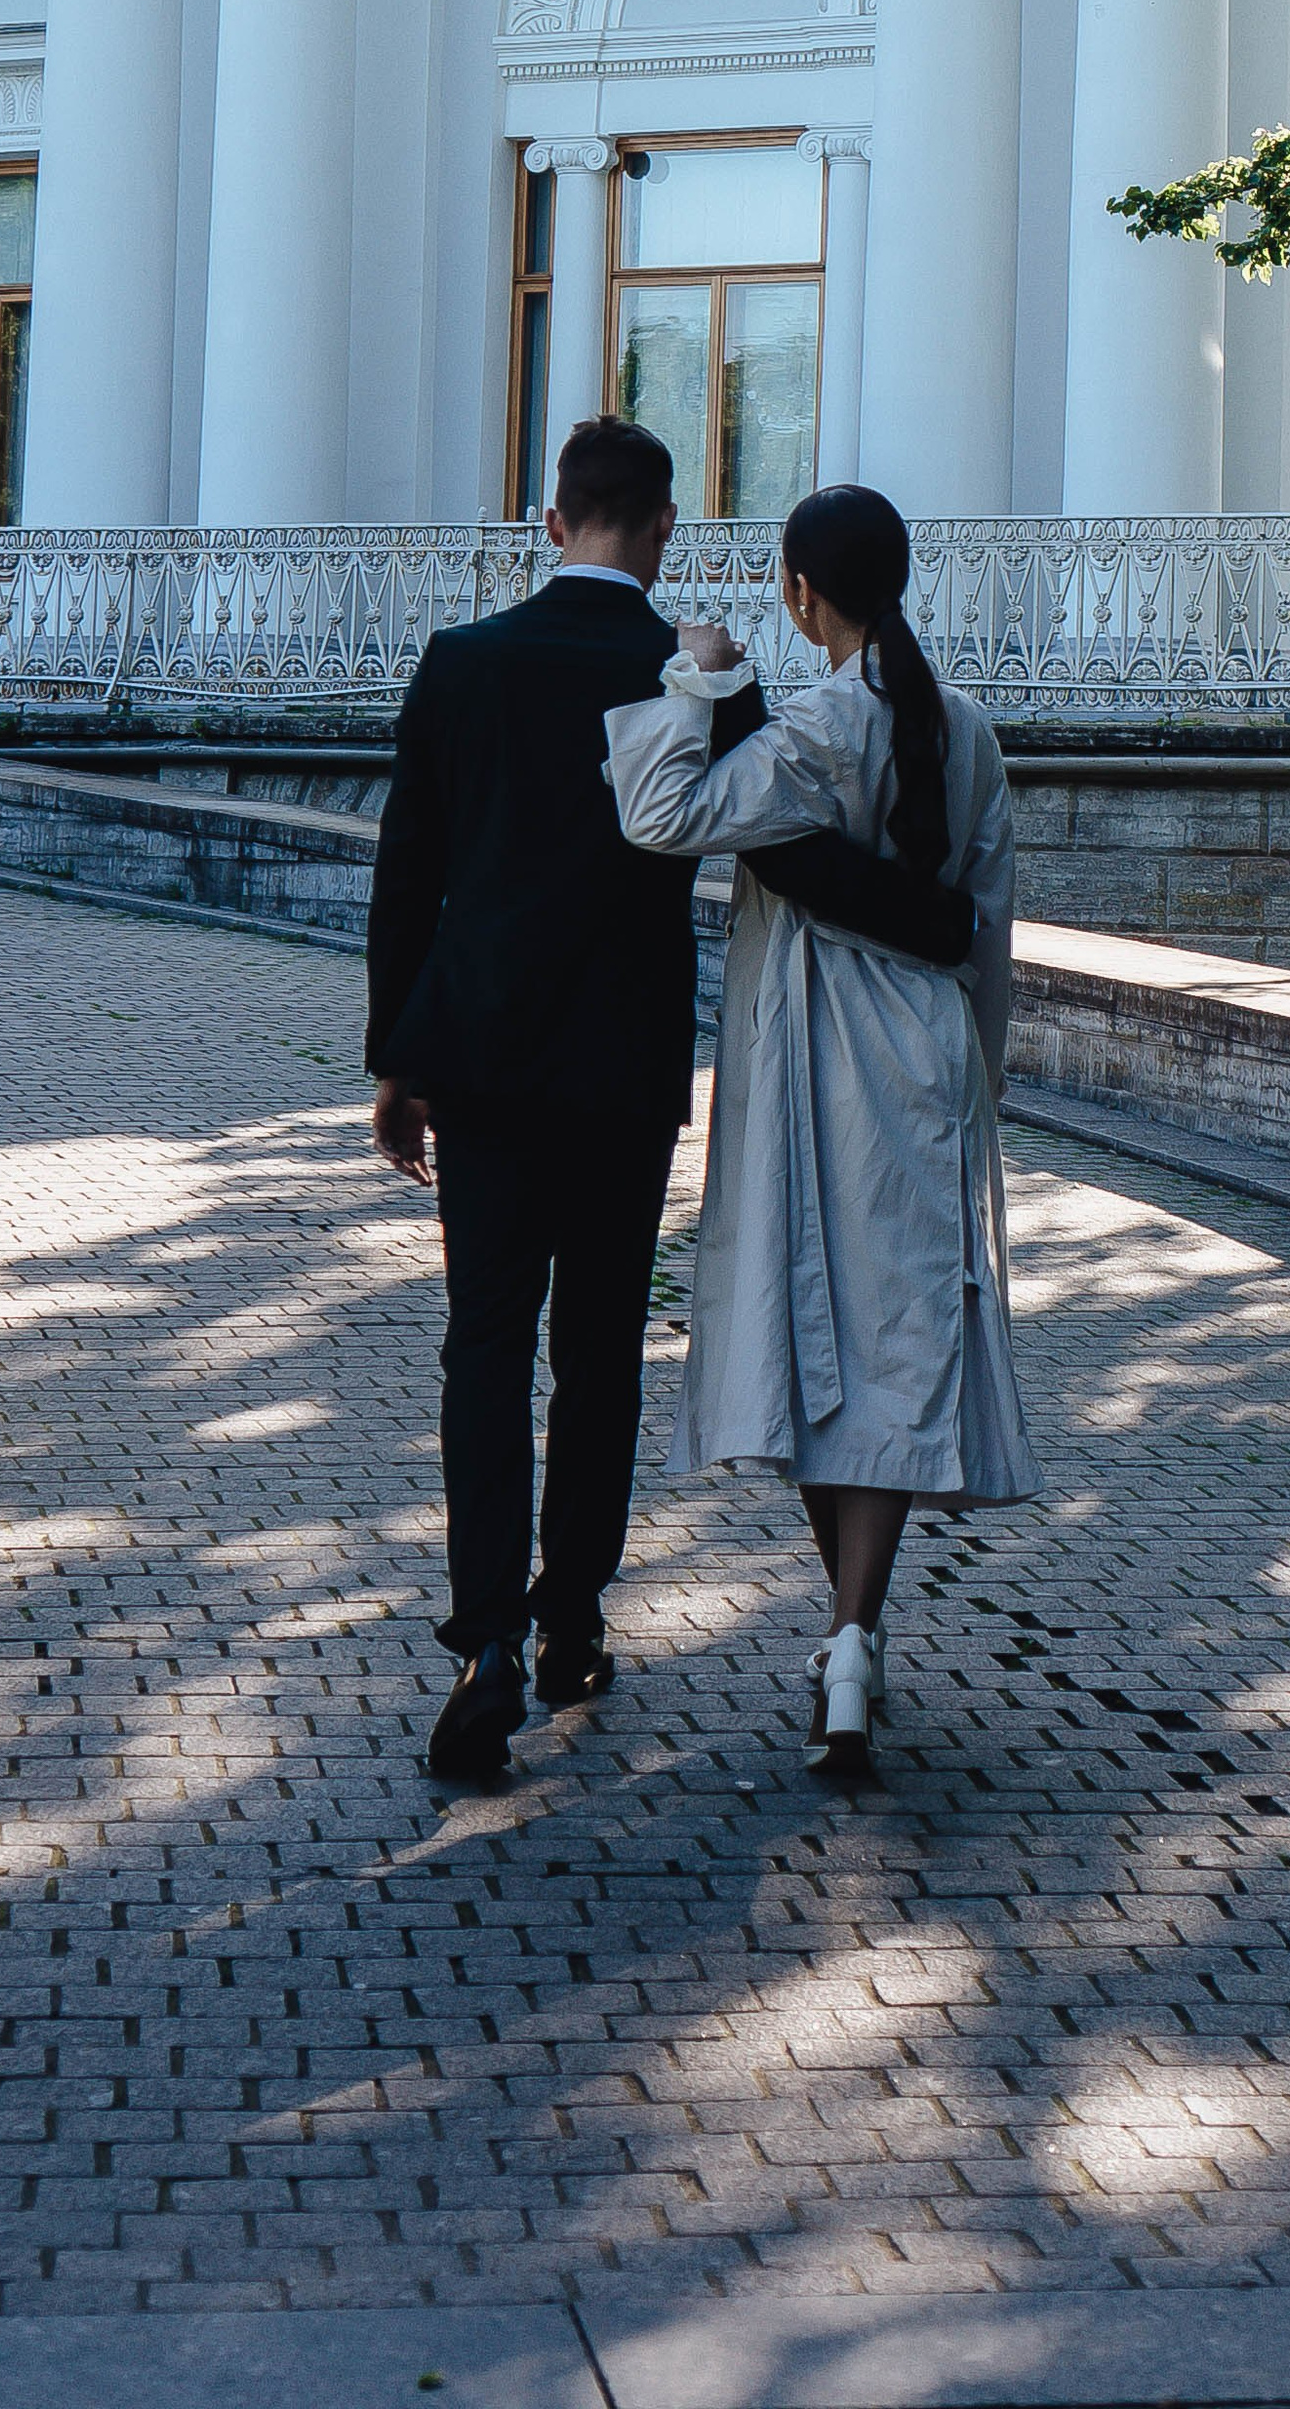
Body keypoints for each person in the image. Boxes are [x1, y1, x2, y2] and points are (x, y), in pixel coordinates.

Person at [367, 417, 976, 1787]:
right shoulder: (704, 681)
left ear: (550, 523)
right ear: (662, 531)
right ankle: (572, 1619)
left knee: (481, 1347)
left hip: (480, 1064)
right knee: (595, 1355)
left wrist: (395, 1062)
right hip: (626, 1073)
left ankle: (483, 1645)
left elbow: (409, 874)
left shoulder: (462, 664)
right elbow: (776, 850)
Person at [604, 482, 1038, 1780]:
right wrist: (982, 1079)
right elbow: (990, 930)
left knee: (809, 1334)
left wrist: (694, 678)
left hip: (812, 1067)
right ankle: (856, 1631)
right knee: (901, 1337)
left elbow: (659, 816)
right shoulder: (965, 734)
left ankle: (845, 1634)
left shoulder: (806, 735)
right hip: (924, 1067)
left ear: (801, 594)